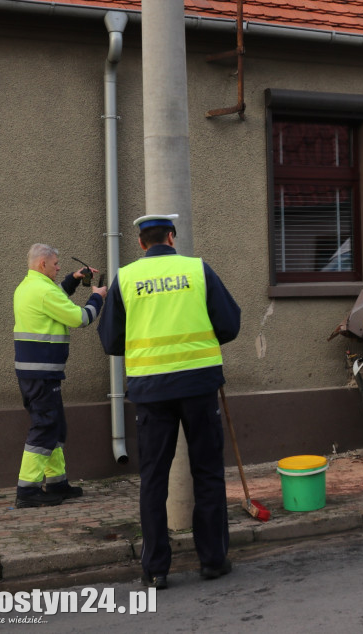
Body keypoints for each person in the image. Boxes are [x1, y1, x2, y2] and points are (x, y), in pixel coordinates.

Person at [98, 214, 241, 589]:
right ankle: (213, 560)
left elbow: (110, 340)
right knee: (207, 472)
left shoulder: (126, 278)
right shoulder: (198, 270)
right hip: (199, 385)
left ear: (141, 243)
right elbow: (229, 325)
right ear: (172, 237)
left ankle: (156, 569)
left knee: (153, 479)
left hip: (150, 391)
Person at [13, 244, 106, 508]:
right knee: (45, 426)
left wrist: (73, 280)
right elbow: (80, 318)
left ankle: (56, 483)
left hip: (37, 372)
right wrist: (97, 297)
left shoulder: (30, 286)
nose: (59, 267)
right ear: (42, 264)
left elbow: (57, 297)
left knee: (54, 426)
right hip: (41, 372)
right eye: (55, 263)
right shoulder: (43, 291)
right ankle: (27, 490)